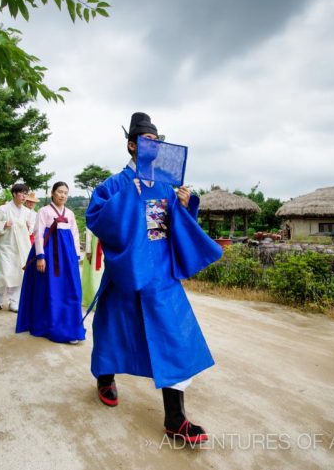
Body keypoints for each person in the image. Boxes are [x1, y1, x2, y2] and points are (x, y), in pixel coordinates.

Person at [85, 112, 222, 443]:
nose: (155, 146)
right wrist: (128, 198)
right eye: (148, 140)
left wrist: (188, 206)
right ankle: (105, 377)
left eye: (158, 141)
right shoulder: (113, 185)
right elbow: (96, 218)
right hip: (126, 273)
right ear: (132, 146)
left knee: (174, 337)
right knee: (113, 330)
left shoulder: (165, 184)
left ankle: (175, 418)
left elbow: (175, 228)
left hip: (160, 275)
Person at [16, 181, 85, 343]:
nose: (63, 195)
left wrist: (75, 256)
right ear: (53, 193)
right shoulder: (44, 211)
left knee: (70, 290)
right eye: (60, 192)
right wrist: (40, 257)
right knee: (49, 290)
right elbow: (38, 234)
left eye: (66, 193)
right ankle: (49, 325)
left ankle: (70, 327)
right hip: (48, 256)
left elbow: (75, 236)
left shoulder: (70, 213)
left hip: (66, 258)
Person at [0, 183, 34, 312]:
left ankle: (13, 302)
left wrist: (29, 227)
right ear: (14, 194)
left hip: (21, 248)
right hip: (6, 246)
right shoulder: (3, 209)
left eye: (26, 193)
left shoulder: (28, 212)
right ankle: (0, 295)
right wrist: (3, 224)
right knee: (5, 273)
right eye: (21, 193)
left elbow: (31, 230)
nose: (24, 196)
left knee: (19, 273)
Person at [81, 227, 104, 307]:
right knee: (93, 274)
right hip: (95, 245)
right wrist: (88, 250)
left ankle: (102, 299)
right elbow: (89, 230)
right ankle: (95, 299)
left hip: (107, 244)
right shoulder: (92, 214)